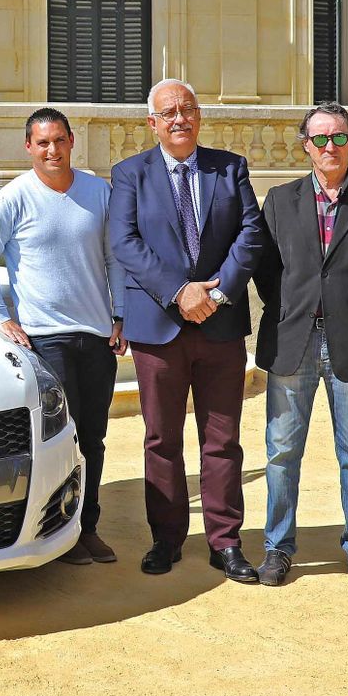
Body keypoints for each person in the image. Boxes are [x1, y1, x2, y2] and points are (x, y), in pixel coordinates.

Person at [108, 79, 264, 584]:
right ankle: (167, 538)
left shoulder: (230, 166)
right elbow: (125, 243)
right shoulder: (130, 173)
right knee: (162, 439)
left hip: (220, 327)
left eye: (188, 109)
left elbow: (250, 232)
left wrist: (215, 294)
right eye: (169, 111)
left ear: (199, 117)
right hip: (159, 328)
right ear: (152, 122)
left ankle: (226, 541)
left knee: (222, 441)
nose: (180, 118)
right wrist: (180, 291)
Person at [252, 103, 348, 589]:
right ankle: (278, 548)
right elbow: (264, 271)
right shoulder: (278, 200)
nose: (329, 147)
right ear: (305, 146)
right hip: (291, 342)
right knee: (281, 453)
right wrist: (297, 308)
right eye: (319, 139)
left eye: (338, 138)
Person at [0, 108, 127, 565]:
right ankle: (60, 532)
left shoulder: (99, 191)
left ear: (72, 141)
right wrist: (1, 319)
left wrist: (120, 314)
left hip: (96, 337)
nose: (52, 150)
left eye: (59, 140)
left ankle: (87, 526)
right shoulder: (13, 198)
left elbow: (116, 259)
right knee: (61, 441)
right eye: (42, 143)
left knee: (93, 439)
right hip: (44, 340)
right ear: (28, 147)